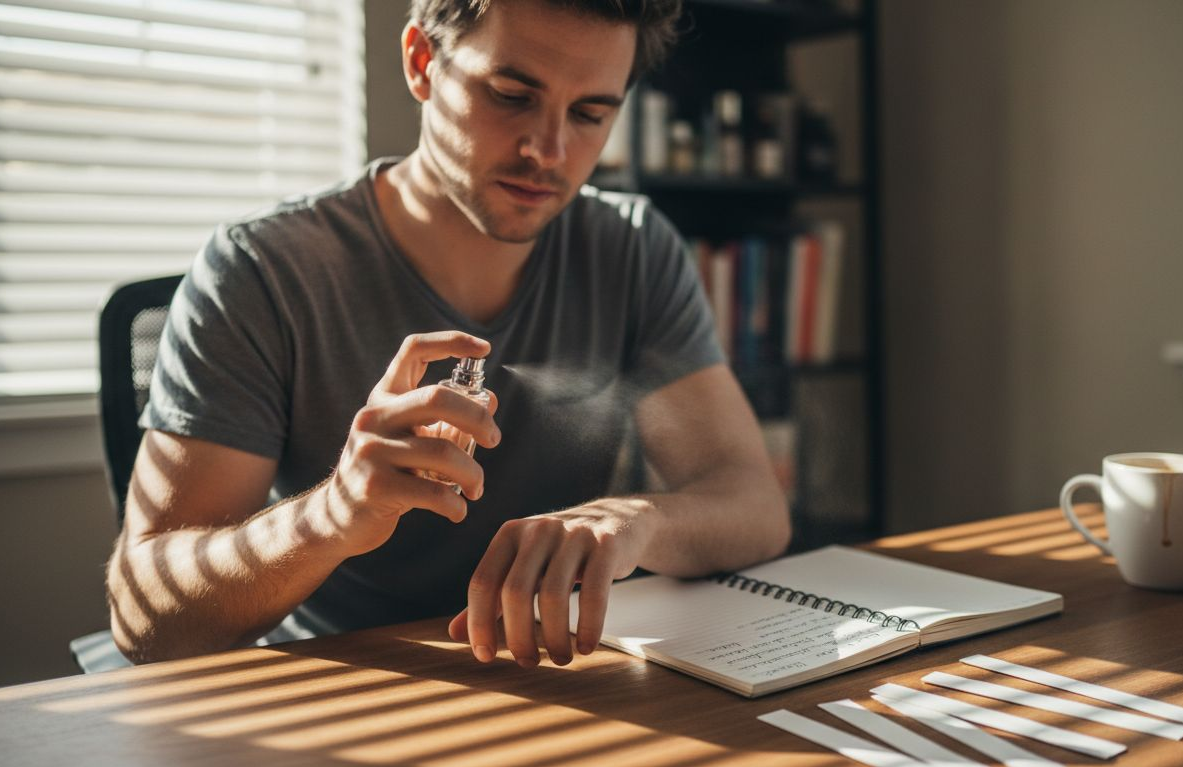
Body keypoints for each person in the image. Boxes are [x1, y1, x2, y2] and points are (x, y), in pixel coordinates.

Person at [106, 0, 790, 670]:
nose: (548, 152)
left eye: (589, 114)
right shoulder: (260, 272)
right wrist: (330, 516)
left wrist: (637, 521)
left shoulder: (635, 251)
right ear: (421, 61)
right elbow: (146, 623)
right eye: (511, 94)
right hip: (346, 688)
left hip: (556, 676)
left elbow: (755, 507)